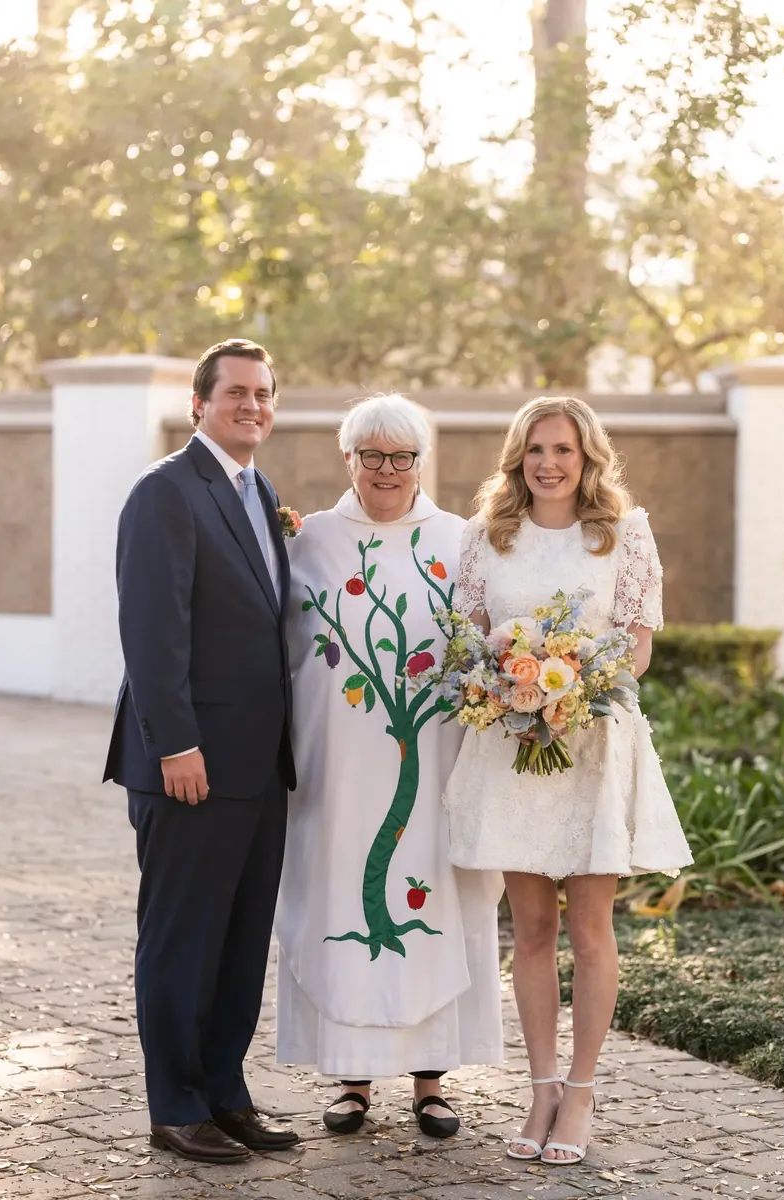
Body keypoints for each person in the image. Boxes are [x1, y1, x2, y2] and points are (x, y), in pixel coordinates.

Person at [444, 395, 692, 1165]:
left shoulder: (621, 534)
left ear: (587, 457)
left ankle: (581, 1092)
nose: (549, 464)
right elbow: (467, 641)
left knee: (589, 931)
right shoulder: (489, 538)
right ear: (517, 457)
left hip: (592, 748)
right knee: (532, 932)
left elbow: (638, 649)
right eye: (535, 450)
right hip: (515, 748)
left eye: (564, 450)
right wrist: (512, 686)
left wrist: (571, 689)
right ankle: (541, 1086)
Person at [275, 394, 504, 1138]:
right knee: (346, 900)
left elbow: (483, 650)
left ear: (420, 463)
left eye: (401, 457)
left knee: (430, 901)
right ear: (348, 459)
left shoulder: (462, 541)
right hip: (335, 772)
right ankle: (351, 1081)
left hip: (431, 766)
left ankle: (432, 1082)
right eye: (370, 456)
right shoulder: (309, 542)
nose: (386, 471)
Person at [103, 339, 299, 1164]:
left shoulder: (261, 492)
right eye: (236, 394)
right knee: (182, 939)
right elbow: (152, 635)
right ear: (200, 404)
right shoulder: (165, 493)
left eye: (263, 394)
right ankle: (174, 1105)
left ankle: (225, 1092)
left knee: (241, 940)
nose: (251, 406)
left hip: (259, 767)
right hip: (189, 766)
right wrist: (176, 744)